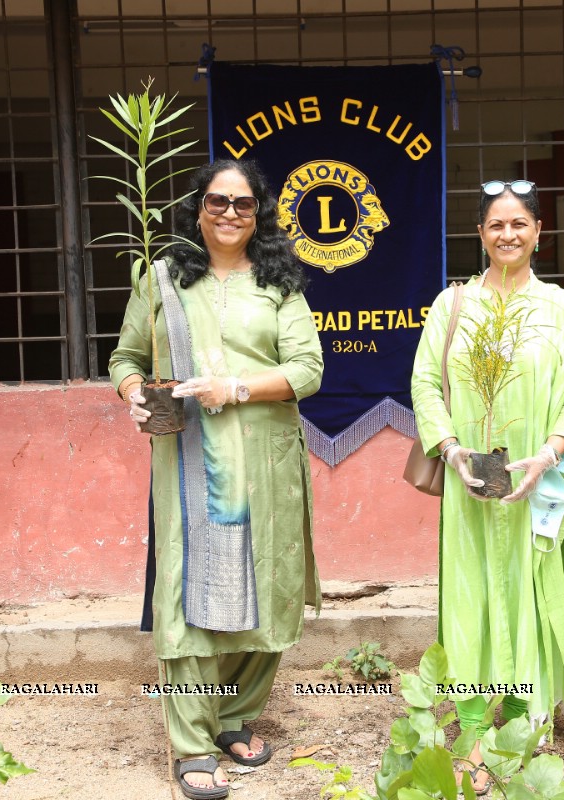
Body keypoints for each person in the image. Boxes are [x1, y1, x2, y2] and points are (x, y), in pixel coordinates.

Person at [109, 158, 323, 800]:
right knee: (190, 596)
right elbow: (126, 357)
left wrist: (234, 386)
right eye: (217, 202)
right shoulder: (164, 278)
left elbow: (307, 371)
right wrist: (131, 393)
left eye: (244, 204)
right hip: (189, 462)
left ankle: (232, 715)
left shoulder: (280, 282)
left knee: (267, 585)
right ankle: (193, 743)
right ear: (197, 209)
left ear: (260, 214)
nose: (229, 213)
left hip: (266, 458)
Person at [411, 179, 564, 795]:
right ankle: (469, 727)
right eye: (496, 225)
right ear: (481, 234)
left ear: (539, 231)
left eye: (520, 223)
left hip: (537, 483)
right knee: (469, 595)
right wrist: (449, 448)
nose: (508, 234)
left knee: (526, 589)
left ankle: (519, 721)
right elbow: (424, 386)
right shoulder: (452, 304)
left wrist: (551, 453)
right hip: (473, 478)